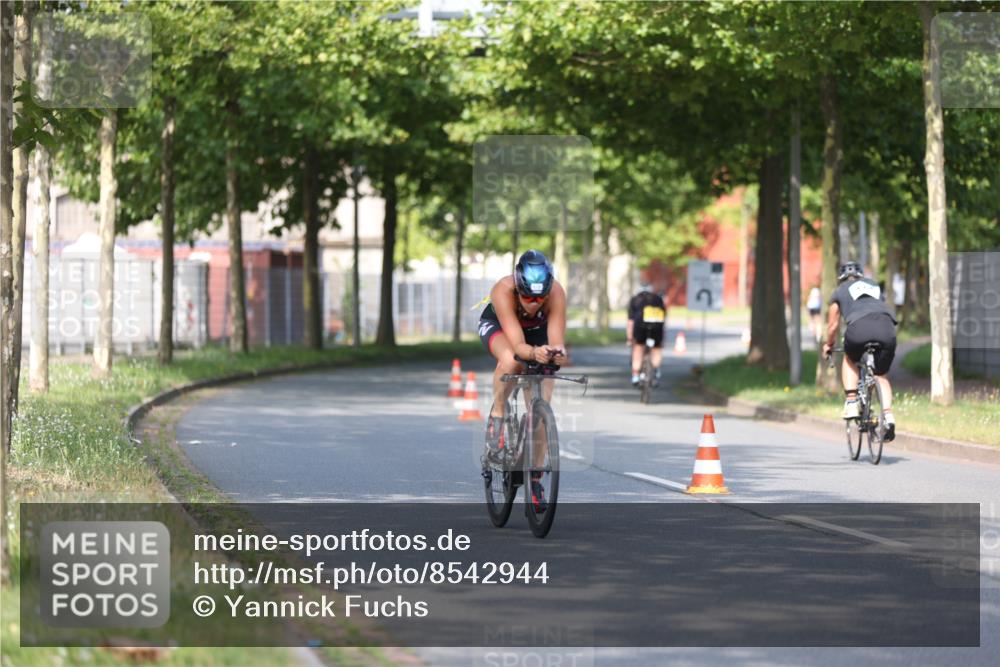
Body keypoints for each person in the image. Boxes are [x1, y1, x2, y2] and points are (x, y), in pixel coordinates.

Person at [478, 250, 567, 510]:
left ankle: (535, 476)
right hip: (501, 327)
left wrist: (555, 355)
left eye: (540, 297)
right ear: (518, 288)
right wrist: (533, 352)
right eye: (527, 296)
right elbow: (518, 345)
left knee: (541, 406)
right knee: (512, 362)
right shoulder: (503, 290)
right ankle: (499, 414)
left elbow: (556, 340)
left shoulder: (557, 293)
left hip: (537, 332)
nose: (534, 302)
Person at [822, 261, 898, 441]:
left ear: (841, 278)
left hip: (858, 328)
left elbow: (832, 325)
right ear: (861, 275)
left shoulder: (839, 291)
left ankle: (851, 401)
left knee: (849, 358)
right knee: (881, 374)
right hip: (886, 328)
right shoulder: (873, 285)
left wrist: (829, 345)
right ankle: (888, 416)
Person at [626, 281, 666, 387]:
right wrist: (662, 338)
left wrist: (630, 338)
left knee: (638, 348)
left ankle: (635, 376)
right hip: (657, 328)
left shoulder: (635, 300)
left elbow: (631, 322)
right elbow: (663, 318)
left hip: (640, 328)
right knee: (656, 348)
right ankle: (656, 371)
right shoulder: (658, 299)